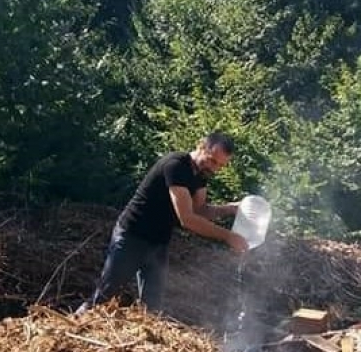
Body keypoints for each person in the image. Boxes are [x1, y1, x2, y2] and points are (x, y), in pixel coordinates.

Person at [78, 131, 249, 313]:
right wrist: (227, 236)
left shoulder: (200, 174)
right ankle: (74, 325)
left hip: (158, 243)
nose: (214, 169)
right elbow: (187, 218)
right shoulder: (176, 166)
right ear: (201, 147)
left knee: (152, 309)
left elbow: (200, 210)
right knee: (104, 296)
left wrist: (231, 208)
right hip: (132, 237)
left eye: (220, 166)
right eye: (213, 160)